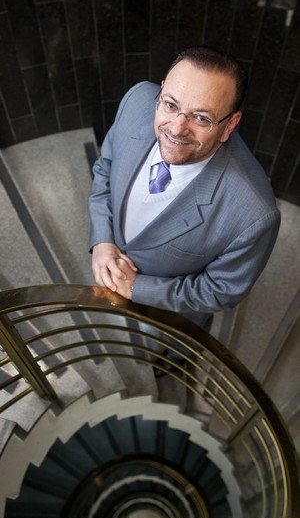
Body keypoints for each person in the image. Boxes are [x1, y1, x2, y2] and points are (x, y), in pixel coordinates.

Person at [88, 45, 280, 335]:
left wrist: (137, 287)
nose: (177, 129)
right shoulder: (137, 100)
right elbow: (106, 168)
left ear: (230, 125)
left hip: (170, 317)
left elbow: (220, 291)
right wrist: (102, 241)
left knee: (168, 351)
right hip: (106, 257)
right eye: (171, 105)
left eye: (201, 118)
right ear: (161, 91)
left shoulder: (254, 215)